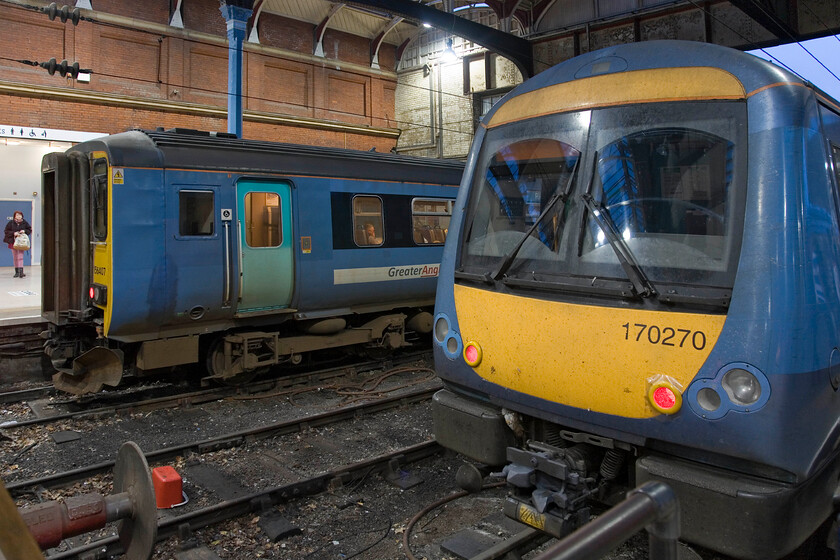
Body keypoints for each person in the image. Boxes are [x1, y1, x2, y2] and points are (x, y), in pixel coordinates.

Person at [4, 211, 32, 278]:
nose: (19, 216)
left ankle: (21, 272)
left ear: (22, 216)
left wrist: (24, 231)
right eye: (17, 215)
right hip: (13, 242)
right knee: (15, 257)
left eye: (20, 215)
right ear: (14, 216)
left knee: (20, 257)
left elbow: (29, 230)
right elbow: (6, 231)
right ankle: (16, 272)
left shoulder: (25, 223)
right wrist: (14, 233)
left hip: (22, 242)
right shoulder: (11, 223)